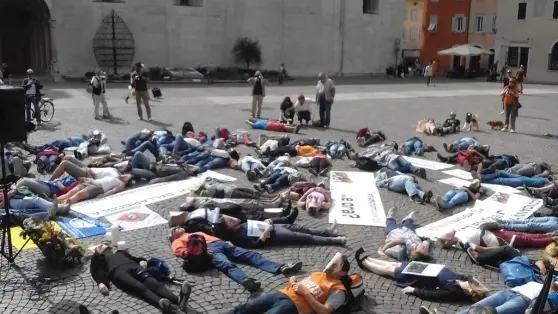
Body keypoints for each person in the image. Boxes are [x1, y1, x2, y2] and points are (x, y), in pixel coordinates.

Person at [170, 229, 303, 292]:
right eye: (175, 228)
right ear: (174, 234)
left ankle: (281, 267)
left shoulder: (196, 231)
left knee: (251, 255)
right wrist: (204, 252)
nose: (179, 227)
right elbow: (182, 252)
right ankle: (246, 281)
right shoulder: (177, 240)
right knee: (226, 265)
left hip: (222, 244)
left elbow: (211, 237)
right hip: (211, 250)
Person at [228, 252, 363, 314]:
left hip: (294, 306)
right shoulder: (318, 274)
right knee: (242, 309)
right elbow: (302, 286)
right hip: (281, 294)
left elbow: (325, 311)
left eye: (336, 266)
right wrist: (294, 282)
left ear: (342, 273)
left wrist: (306, 293)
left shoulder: (338, 289)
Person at [355, 247, 488, 302]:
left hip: (418, 277)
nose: (472, 281)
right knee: (394, 265)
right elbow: (482, 287)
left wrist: (414, 290)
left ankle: (364, 263)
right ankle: (368, 258)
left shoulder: (455, 291)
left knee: (390, 270)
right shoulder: (463, 279)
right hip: (424, 268)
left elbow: (434, 295)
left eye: (472, 283)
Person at [90, 244, 191, 313]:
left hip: (134, 266)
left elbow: (135, 259)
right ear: (98, 252)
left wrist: (142, 261)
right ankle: (163, 305)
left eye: (103, 244)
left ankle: (178, 300)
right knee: (140, 288)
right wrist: (100, 283)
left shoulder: (120, 252)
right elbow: (95, 272)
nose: (103, 245)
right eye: (100, 246)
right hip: (118, 272)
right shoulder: (99, 259)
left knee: (154, 283)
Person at [213, 215, 345, 248]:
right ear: (228, 228)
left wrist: (267, 222)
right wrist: (267, 230)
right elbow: (257, 244)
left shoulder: (241, 224)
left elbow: (258, 224)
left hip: (273, 228)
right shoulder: (237, 237)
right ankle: (334, 240)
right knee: (303, 237)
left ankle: (328, 232)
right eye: (229, 220)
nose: (232, 218)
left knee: (302, 228)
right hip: (274, 236)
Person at [456, 281, 558, 314]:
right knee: (474, 308)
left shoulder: (553, 295)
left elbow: (547, 298)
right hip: (509, 292)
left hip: (523, 300)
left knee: (490, 312)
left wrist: (552, 289)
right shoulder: (542, 282)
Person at [56, 174, 132, 204]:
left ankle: (63, 203)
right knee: (70, 192)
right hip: (91, 183)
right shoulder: (115, 176)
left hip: (98, 187)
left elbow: (114, 190)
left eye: (127, 176)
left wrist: (104, 195)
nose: (125, 175)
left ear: (127, 181)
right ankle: (54, 201)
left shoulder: (122, 183)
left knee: (78, 195)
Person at [0, 193, 70, 222]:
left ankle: (56, 209)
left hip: (12, 198)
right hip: (9, 203)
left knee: (35, 203)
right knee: (34, 202)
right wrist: (7, 197)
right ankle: (58, 209)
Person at [471, 168, 548, 188]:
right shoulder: (545, 181)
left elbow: (537, 184)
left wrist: (548, 182)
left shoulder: (545, 184)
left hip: (521, 181)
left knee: (500, 180)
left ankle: (482, 178)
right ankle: (482, 178)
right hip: (522, 178)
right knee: (501, 173)